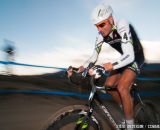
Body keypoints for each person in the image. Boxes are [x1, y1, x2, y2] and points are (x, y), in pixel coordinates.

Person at [67, 3, 144, 130]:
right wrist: (81, 67)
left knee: (122, 87)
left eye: (102, 24)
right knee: (108, 86)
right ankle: (126, 110)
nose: (99, 29)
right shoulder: (100, 36)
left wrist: (107, 66)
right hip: (123, 59)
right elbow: (93, 57)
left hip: (135, 56)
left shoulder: (121, 25)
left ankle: (131, 126)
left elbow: (129, 55)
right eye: (96, 26)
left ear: (111, 19)